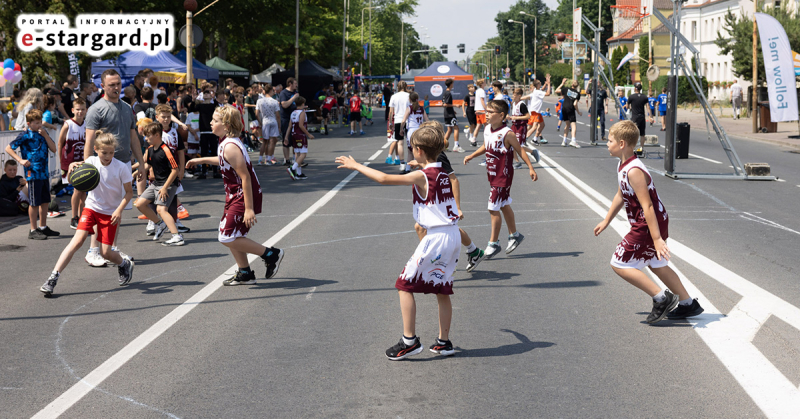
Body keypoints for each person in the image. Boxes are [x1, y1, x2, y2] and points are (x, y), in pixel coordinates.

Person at [335, 125, 460, 360]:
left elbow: (383, 178)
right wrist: (420, 166)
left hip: (436, 238)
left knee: (404, 285)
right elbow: (430, 177)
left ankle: (409, 340)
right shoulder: (443, 172)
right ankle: (444, 342)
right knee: (442, 290)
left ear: (420, 151)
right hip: (452, 235)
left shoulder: (422, 175)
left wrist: (356, 165)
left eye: (413, 149)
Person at [593, 120, 705, 323]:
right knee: (656, 263)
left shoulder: (634, 171)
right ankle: (688, 304)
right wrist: (607, 220)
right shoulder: (623, 165)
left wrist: (656, 239)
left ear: (621, 144)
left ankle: (661, 298)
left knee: (619, 263)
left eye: (609, 141)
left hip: (647, 223)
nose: (606, 144)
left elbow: (648, 206)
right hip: (652, 221)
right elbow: (621, 194)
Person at [186, 106, 284, 285]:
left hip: (242, 195)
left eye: (215, 121)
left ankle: (271, 254)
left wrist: (248, 208)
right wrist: (201, 160)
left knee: (226, 236)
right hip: (234, 194)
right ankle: (245, 272)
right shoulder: (226, 142)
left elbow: (245, 177)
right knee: (234, 234)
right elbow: (223, 160)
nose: (210, 123)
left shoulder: (230, 146)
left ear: (226, 125)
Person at [39, 132, 135, 296]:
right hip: (91, 208)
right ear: (96, 149)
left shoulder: (121, 167)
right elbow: (73, 180)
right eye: (104, 152)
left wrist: (119, 210)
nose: (108, 156)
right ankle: (53, 278)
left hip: (110, 213)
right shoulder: (90, 162)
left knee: (106, 253)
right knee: (76, 241)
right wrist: (71, 169)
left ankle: (123, 264)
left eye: (111, 152)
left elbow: (128, 193)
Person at [84, 69, 144, 265]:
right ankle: (93, 250)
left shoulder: (127, 108)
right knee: (98, 208)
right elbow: (89, 140)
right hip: (101, 165)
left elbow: (133, 137)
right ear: (103, 86)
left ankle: (111, 249)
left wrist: (141, 163)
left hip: (123, 164)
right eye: (111, 84)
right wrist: (87, 168)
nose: (116, 87)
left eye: (118, 83)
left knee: (116, 209)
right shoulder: (96, 109)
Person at [463, 100, 538, 259]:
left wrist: (530, 168)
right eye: (486, 111)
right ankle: (515, 235)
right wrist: (472, 155)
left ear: (502, 115)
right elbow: (486, 145)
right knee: (503, 204)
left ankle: (493, 243)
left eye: (490, 112)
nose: (487, 114)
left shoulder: (507, 133)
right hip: (492, 174)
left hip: (503, 176)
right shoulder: (488, 129)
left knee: (493, 207)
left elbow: (521, 151)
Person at [409, 121, 486, 272]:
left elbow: (454, 180)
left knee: (422, 226)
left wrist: (457, 207)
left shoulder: (440, 156)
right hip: (433, 196)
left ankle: (431, 260)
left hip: (441, 197)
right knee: (447, 227)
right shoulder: (430, 155)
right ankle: (473, 251)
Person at [5, 109, 59, 240]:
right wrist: (20, 160)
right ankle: (33, 229)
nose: (39, 125)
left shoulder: (42, 133)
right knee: (34, 202)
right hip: (33, 173)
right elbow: (8, 148)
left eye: (40, 122)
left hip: (44, 173)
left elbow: (54, 149)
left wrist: (46, 135)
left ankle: (43, 227)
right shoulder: (25, 135)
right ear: (29, 123)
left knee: (45, 201)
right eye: (36, 123)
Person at [134, 122, 184, 246]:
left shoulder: (166, 150)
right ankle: (160, 224)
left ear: (157, 135)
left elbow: (175, 170)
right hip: (156, 183)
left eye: (148, 136)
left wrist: (165, 188)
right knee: (140, 204)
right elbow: (148, 164)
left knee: (161, 209)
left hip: (169, 184)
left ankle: (177, 236)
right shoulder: (150, 149)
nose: (145, 138)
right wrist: (134, 172)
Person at [58, 98, 88, 229]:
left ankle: (82, 216)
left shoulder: (88, 125)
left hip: (84, 161)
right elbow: (60, 144)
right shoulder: (68, 124)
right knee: (77, 189)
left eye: (82, 109)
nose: (80, 112)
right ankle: (74, 217)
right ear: (72, 110)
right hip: (70, 162)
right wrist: (61, 162)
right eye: (78, 109)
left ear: (86, 110)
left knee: (83, 191)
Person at [196, 85, 221, 179]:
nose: (207, 95)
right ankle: (203, 171)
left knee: (214, 151)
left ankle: (215, 171)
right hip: (203, 132)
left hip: (212, 131)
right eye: (205, 93)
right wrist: (195, 99)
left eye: (208, 93)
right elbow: (192, 108)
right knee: (203, 152)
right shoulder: (200, 105)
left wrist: (214, 97)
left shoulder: (213, 105)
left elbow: (218, 106)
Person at [286, 97, 314, 180]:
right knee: (303, 154)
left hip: (294, 134)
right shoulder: (302, 113)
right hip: (300, 135)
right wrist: (308, 134)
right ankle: (292, 168)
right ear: (302, 104)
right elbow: (301, 125)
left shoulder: (293, 113)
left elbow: (290, 126)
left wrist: (286, 137)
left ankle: (299, 173)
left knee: (297, 154)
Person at [400, 92, 428, 173]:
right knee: (420, 150)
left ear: (409, 99)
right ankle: (423, 168)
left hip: (412, 131)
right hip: (420, 130)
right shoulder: (421, 108)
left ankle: (408, 169)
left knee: (410, 151)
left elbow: (404, 120)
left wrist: (401, 129)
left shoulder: (410, 108)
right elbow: (427, 120)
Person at [256, 83, 282, 166]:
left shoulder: (259, 101)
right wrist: (279, 126)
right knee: (272, 141)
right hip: (273, 121)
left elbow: (257, 114)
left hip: (265, 121)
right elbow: (278, 115)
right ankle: (268, 159)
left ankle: (260, 159)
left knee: (264, 142)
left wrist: (260, 123)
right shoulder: (274, 101)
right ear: (270, 90)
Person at [522, 75, 551, 146]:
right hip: (535, 112)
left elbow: (542, 89)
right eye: (540, 83)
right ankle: (525, 139)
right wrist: (549, 84)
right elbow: (548, 93)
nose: (541, 84)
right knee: (534, 127)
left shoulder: (536, 91)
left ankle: (535, 139)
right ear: (537, 85)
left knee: (542, 125)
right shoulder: (537, 92)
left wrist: (546, 83)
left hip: (537, 112)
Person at [387, 81, 411, 166]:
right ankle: (410, 161)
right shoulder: (408, 96)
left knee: (400, 143)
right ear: (405, 87)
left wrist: (390, 122)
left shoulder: (394, 96)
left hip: (397, 121)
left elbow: (390, 112)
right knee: (410, 143)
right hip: (408, 121)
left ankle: (402, 163)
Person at [509, 88, 534, 167]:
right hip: (514, 126)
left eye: (514, 95)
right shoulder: (513, 104)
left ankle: (531, 152)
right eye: (513, 94)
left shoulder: (522, 104)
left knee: (518, 146)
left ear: (519, 96)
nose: (513, 96)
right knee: (511, 144)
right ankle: (517, 162)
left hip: (521, 127)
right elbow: (514, 115)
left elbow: (527, 116)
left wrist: (516, 118)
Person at [279, 78, 300, 167]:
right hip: (286, 119)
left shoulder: (296, 92)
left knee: (295, 138)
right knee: (286, 139)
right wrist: (294, 98)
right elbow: (284, 105)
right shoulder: (284, 93)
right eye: (295, 83)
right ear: (290, 84)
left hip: (295, 118)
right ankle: (286, 159)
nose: (296, 85)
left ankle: (295, 160)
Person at [440, 79, 463, 153]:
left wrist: (452, 110)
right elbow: (446, 104)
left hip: (447, 113)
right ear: (450, 84)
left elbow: (443, 104)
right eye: (453, 83)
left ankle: (442, 146)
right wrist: (455, 105)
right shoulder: (448, 93)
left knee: (449, 130)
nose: (453, 85)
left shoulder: (445, 93)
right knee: (456, 128)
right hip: (449, 114)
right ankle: (456, 146)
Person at [559, 79, 582, 148]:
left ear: (572, 84)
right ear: (577, 85)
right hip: (570, 109)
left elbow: (557, 90)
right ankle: (573, 140)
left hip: (564, 108)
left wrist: (562, 83)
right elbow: (575, 104)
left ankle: (564, 141)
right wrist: (578, 112)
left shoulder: (566, 89)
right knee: (573, 125)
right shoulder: (577, 94)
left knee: (567, 125)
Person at [627, 83, 650, 151]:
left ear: (635, 88)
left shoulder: (631, 97)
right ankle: (641, 148)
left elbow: (627, 106)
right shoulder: (644, 97)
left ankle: (633, 148)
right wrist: (651, 116)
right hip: (642, 117)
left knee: (633, 133)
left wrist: (631, 108)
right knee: (642, 134)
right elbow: (648, 107)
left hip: (635, 117)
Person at [472, 79, 488, 145]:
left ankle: (473, 139)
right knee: (486, 125)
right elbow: (482, 101)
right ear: (482, 84)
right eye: (484, 82)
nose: (485, 83)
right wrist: (486, 108)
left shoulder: (478, 90)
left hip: (477, 109)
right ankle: (487, 139)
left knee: (478, 125)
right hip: (481, 110)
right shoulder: (481, 91)